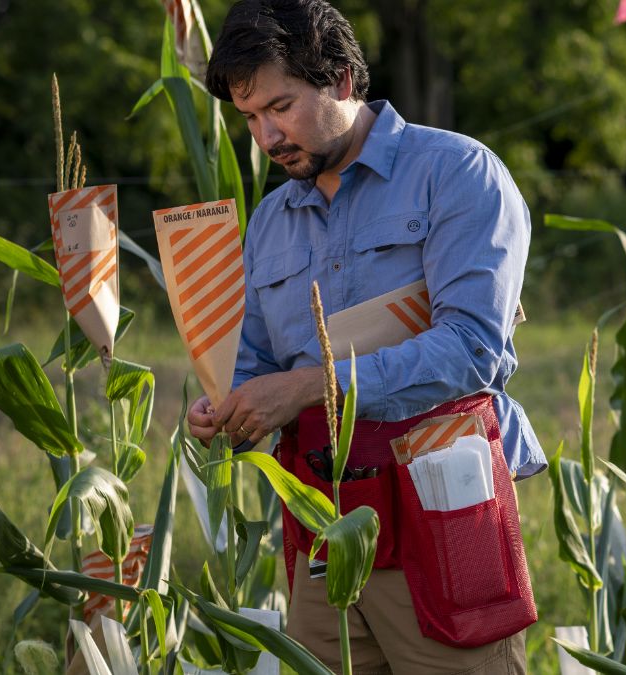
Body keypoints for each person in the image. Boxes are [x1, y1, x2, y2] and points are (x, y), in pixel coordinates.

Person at [185, 0, 544, 672]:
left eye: (281, 106)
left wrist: (307, 387)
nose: (266, 135)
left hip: (444, 509)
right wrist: (227, 405)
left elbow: (473, 348)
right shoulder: (270, 222)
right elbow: (258, 361)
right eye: (252, 117)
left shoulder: (457, 174)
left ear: (343, 80)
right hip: (321, 527)